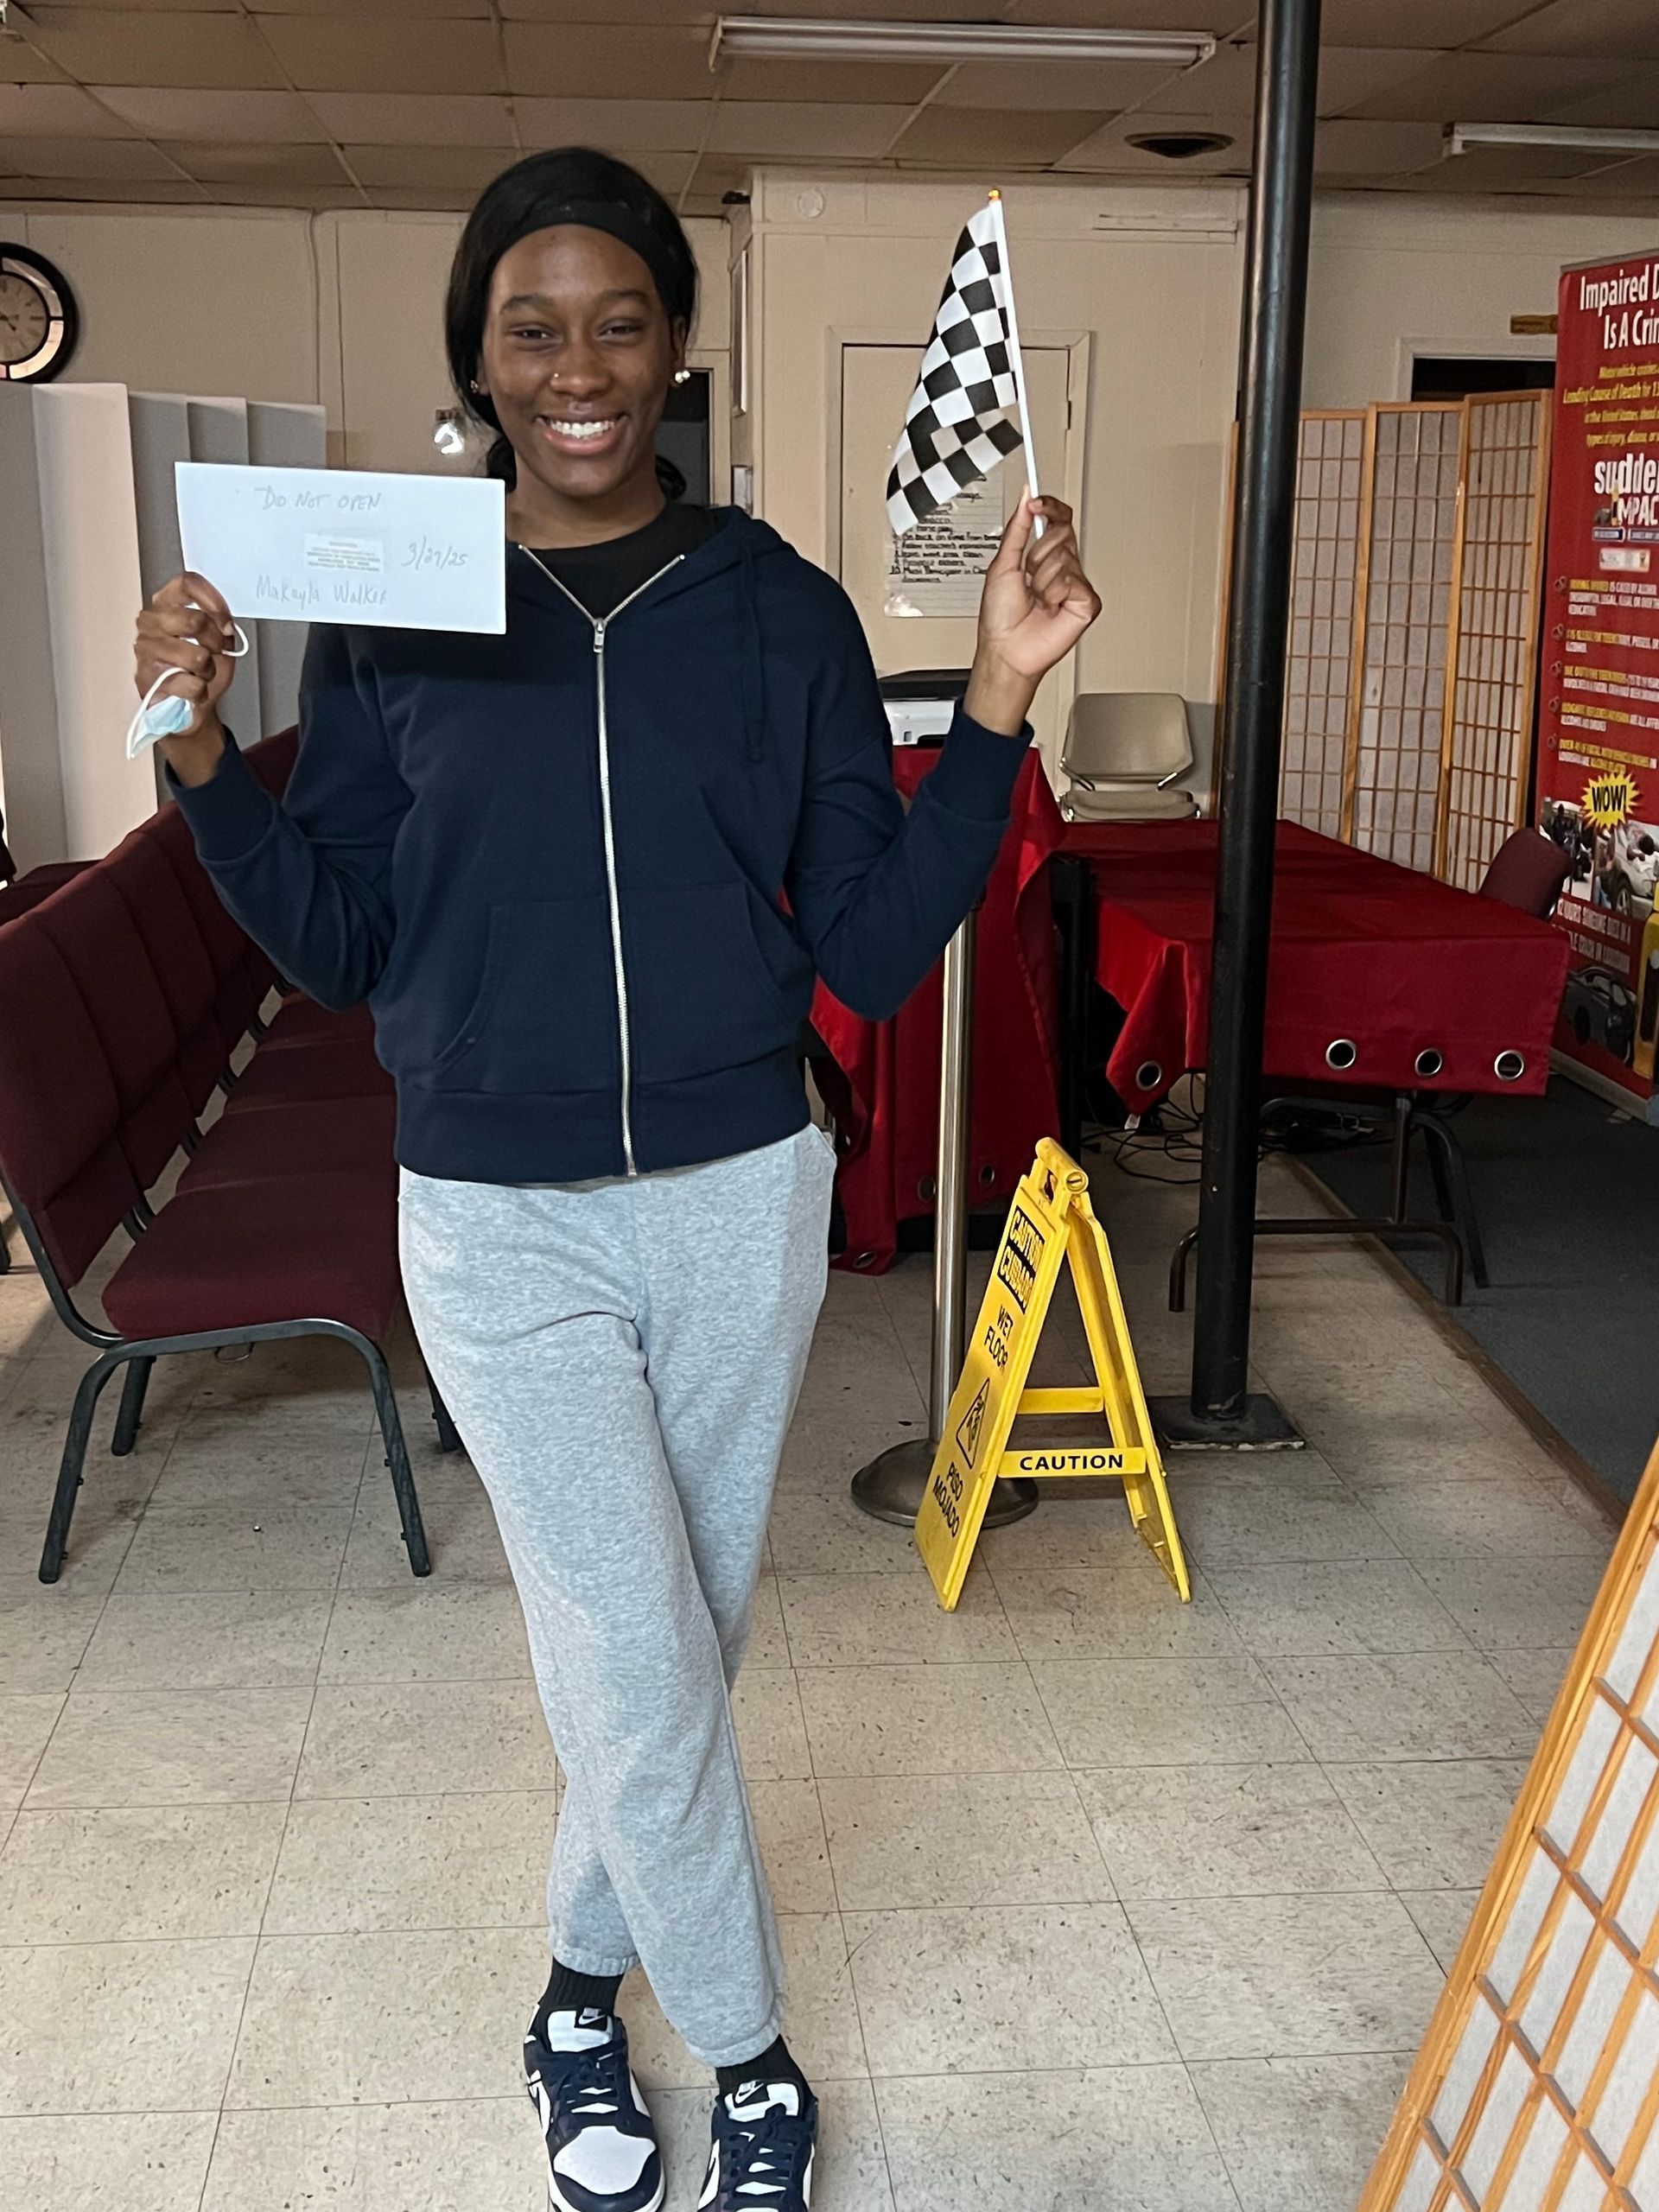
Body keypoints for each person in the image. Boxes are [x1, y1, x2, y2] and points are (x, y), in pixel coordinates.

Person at [134, 146, 1099, 2212]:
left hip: (738, 1192)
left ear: (673, 349)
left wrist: (1001, 698)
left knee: (673, 1640)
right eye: (531, 328)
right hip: (496, 1215)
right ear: (479, 361)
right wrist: (203, 760)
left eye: (619, 322)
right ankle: (746, 2052)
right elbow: (344, 941)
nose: (576, 367)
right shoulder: (400, 611)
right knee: (644, 1656)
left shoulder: (778, 611)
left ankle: (577, 1989)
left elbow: (866, 947)